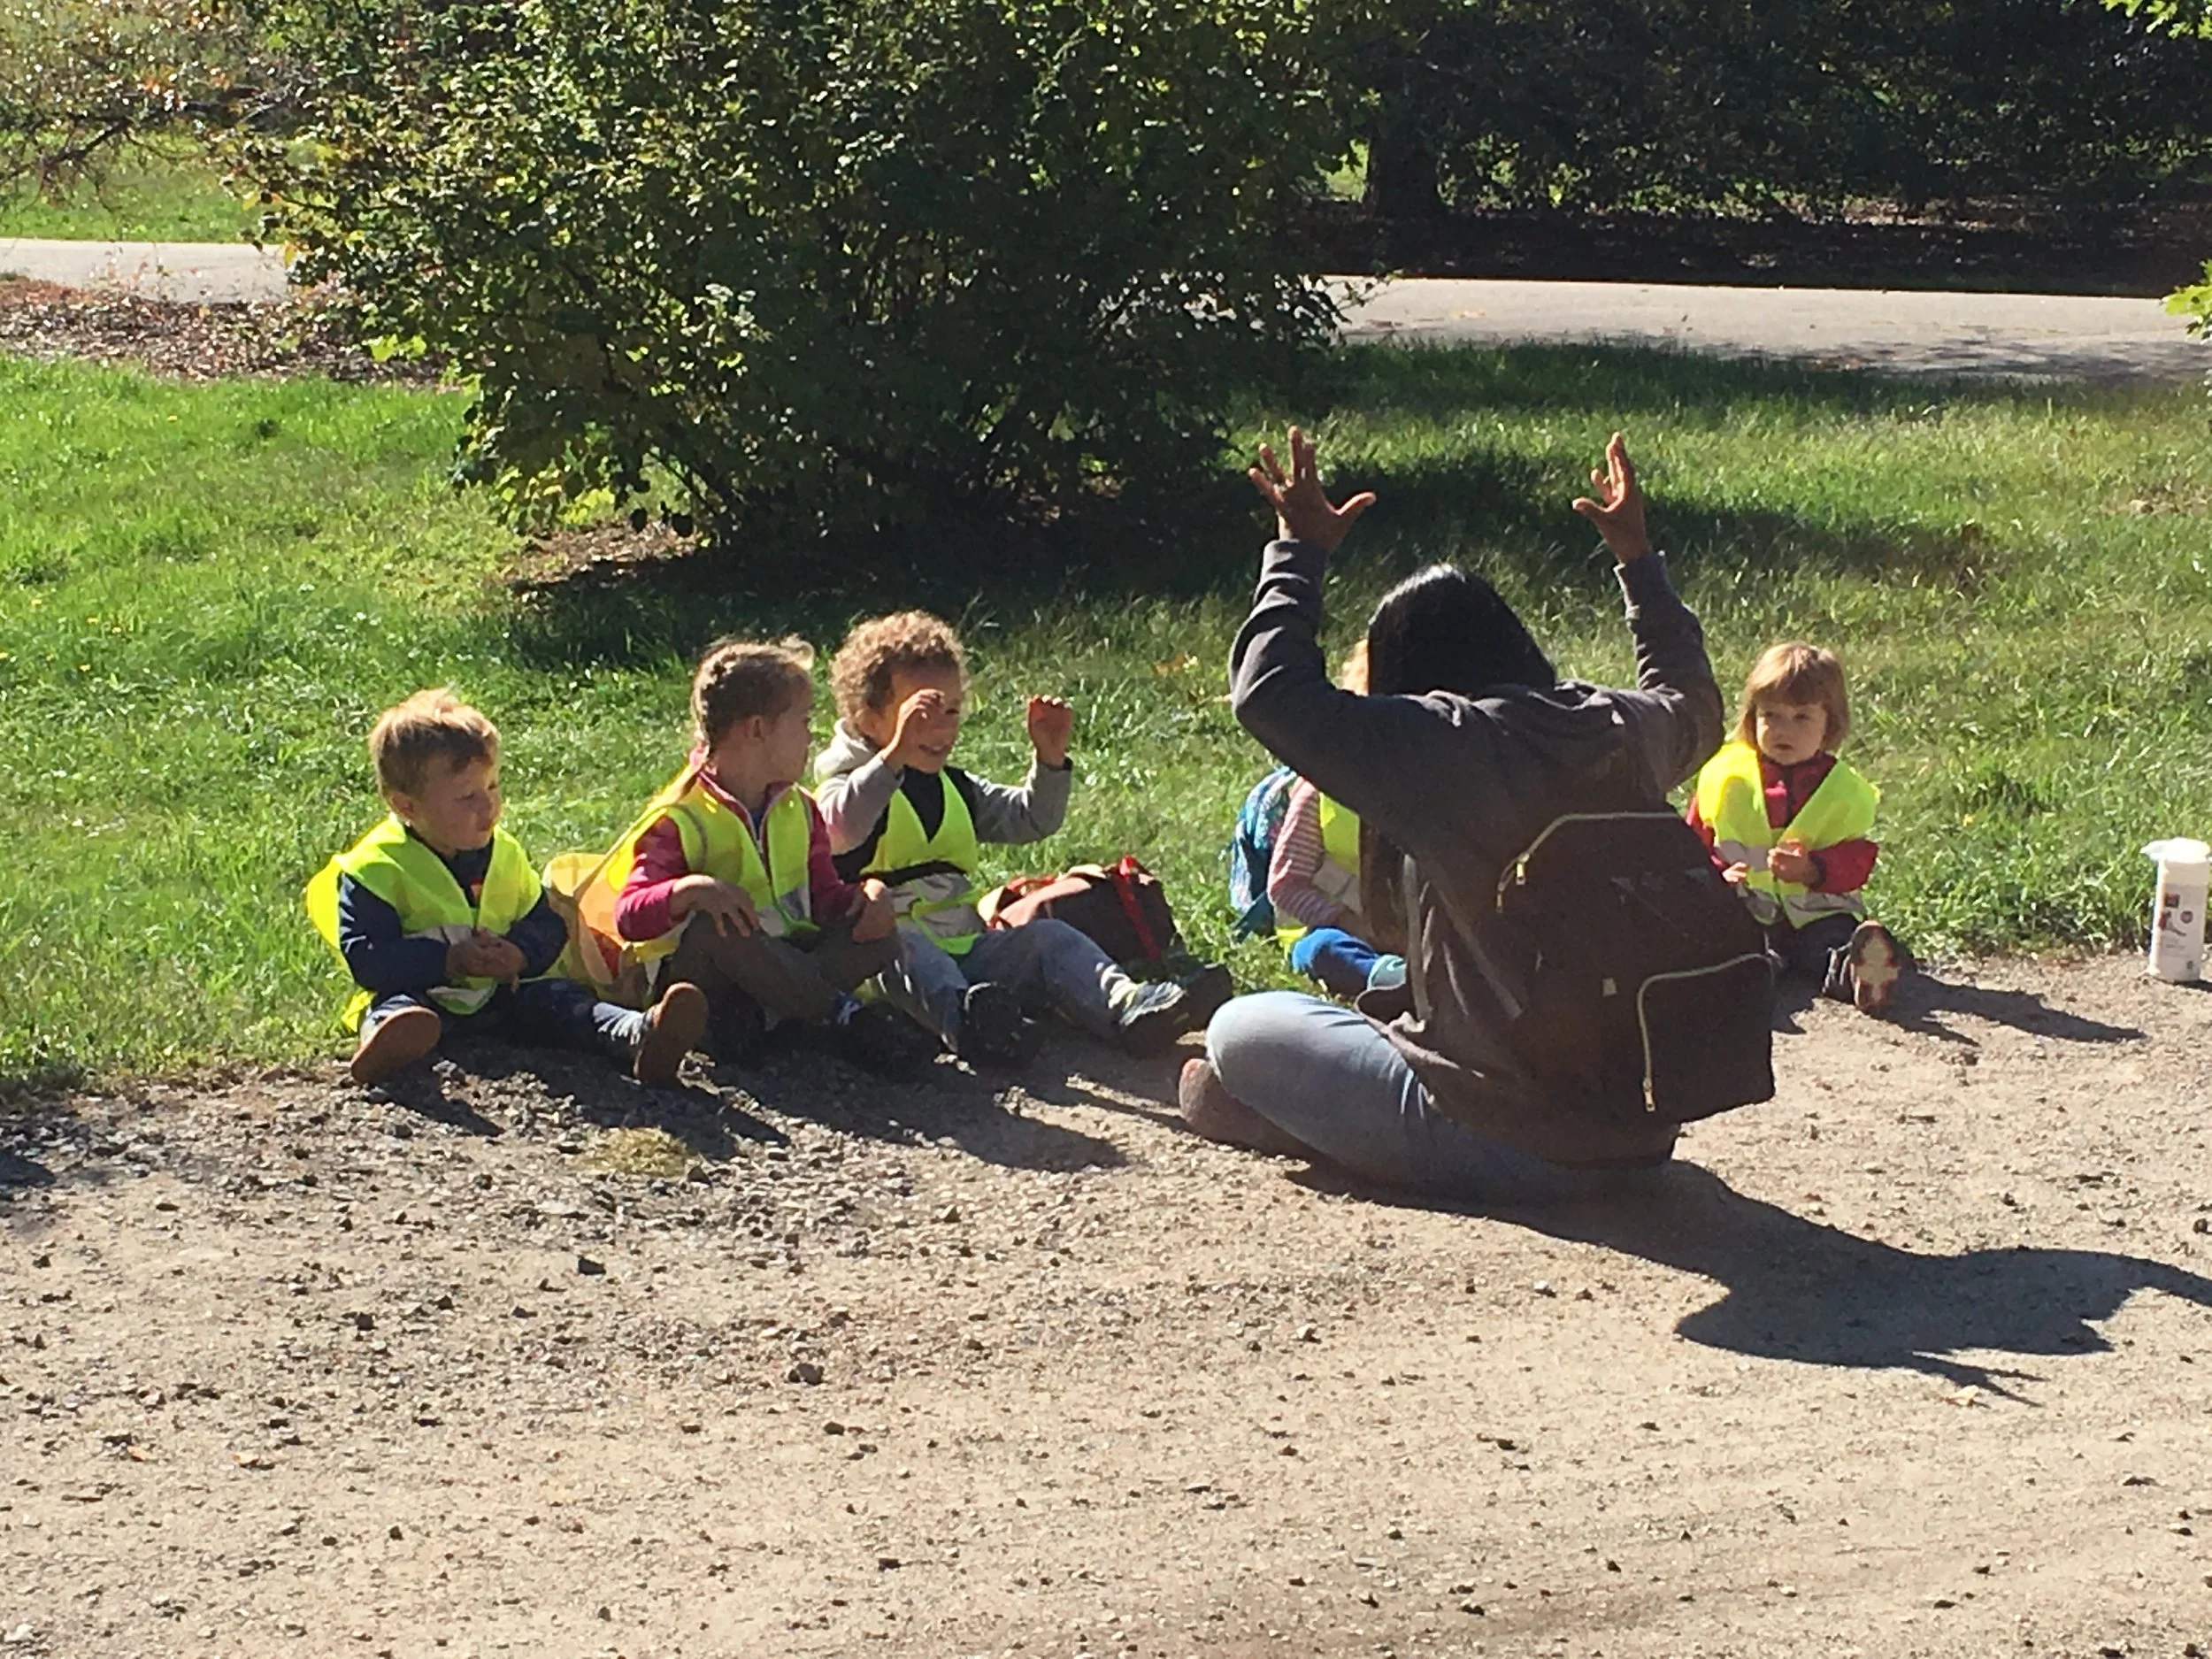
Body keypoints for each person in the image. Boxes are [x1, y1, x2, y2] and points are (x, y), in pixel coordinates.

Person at [1180, 427, 1740, 1197]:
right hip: (1646, 1128)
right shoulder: (1614, 724)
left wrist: (1298, 552)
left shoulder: (1440, 743)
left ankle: (1313, 1125)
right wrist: (1639, 564)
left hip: (1507, 1144)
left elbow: (1269, 694)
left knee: (1240, 1031)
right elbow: (1696, 704)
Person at [814, 610, 1201, 1062]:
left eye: (953, 711)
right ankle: (974, 1025)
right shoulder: (844, 782)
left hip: (966, 947)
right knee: (910, 948)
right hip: (880, 957)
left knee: (1050, 938)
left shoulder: (954, 787)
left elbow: (1030, 820)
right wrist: (895, 755)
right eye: (921, 713)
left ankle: (1126, 1007)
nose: (942, 727)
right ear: (867, 717)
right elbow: (840, 828)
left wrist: (1050, 761)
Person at [305, 689, 706, 1088]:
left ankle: (637, 1033)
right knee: (394, 1008)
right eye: (467, 798)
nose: (489, 807)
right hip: (422, 994)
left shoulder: (504, 852)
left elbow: (546, 923)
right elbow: (368, 958)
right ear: (407, 807)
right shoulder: (375, 866)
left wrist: (519, 954)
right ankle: (386, 1049)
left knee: (561, 999)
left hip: (500, 995)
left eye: (493, 788)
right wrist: (449, 960)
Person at [593, 638, 926, 1071]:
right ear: (756, 729)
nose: (811, 734)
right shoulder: (680, 817)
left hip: (781, 958)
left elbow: (825, 900)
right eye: (803, 720)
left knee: (878, 936)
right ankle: (843, 1018)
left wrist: (868, 896)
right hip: (706, 974)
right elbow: (629, 916)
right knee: (720, 930)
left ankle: (761, 1022)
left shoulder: (798, 808)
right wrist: (691, 891)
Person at [1686, 641, 1907, 1016]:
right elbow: (1689, 844)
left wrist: (1815, 868)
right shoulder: (1725, 778)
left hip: (1816, 913)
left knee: (1830, 945)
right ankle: (1748, 981)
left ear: (1829, 725)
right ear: (1751, 718)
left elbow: (1859, 858)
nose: (1783, 729)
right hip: (1747, 909)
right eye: (1771, 715)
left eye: (1802, 717)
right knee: (1742, 946)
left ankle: (1862, 972)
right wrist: (1717, 876)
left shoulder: (1843, 790)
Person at [1266, 641, 1409, 999]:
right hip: (1334, 926)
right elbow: (1285, 885)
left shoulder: (1434, 783)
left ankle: (1422, 975)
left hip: (1414, 931)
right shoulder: (1321, 789)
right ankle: (1386, 979)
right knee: (1322, 950)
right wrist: (1349, 921)